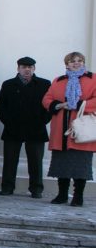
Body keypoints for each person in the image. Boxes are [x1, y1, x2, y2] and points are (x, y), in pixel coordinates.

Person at [42, 51, 95, 207]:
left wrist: (80, 104)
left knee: (81, 165)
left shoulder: (93, 78)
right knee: (62, 164)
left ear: (83, 63)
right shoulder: (58, 80)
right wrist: (58, 105)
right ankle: (62, 194)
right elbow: (47, 98)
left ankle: (78, 196)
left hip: (82, 128)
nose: (76, 63)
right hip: (61, 129)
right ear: (67, 64)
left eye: (79, 60)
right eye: (72, 61)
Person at [0, 56, 51, 198]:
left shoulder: (44, 84)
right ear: (18, 68)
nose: (27, 70)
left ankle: (36, 189)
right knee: (10, 160)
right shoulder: (8, 84)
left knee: (36, 161)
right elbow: (0, 104)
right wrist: (8, 121)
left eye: (30, 67)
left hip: (36, 128)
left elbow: (49, 105)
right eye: (24, 67)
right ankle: (7, 187)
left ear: (34, 69)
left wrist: (43, 121)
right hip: (13, 128)